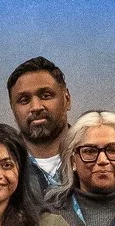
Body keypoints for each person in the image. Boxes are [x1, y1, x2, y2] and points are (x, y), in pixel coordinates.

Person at [5, 56, 74, 193]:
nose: (36, 107)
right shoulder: (1, 168)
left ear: (67, 99)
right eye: (24, 100)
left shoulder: (95, 158)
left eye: (46, 95)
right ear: (13, 108)